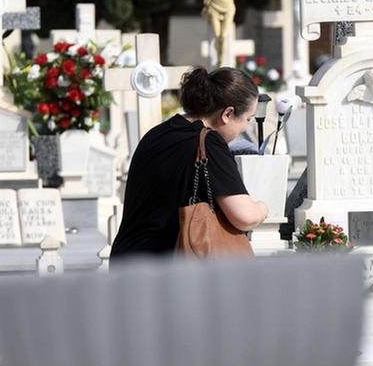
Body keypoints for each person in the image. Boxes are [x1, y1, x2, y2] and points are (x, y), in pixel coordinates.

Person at [110, 67, 269, 258]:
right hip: (162, 264)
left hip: (127, 257)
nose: (245, 127)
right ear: (227, 114)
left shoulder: (158, 133)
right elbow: (245, 217)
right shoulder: (207, 142)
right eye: (248, 119)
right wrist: (263, 208)